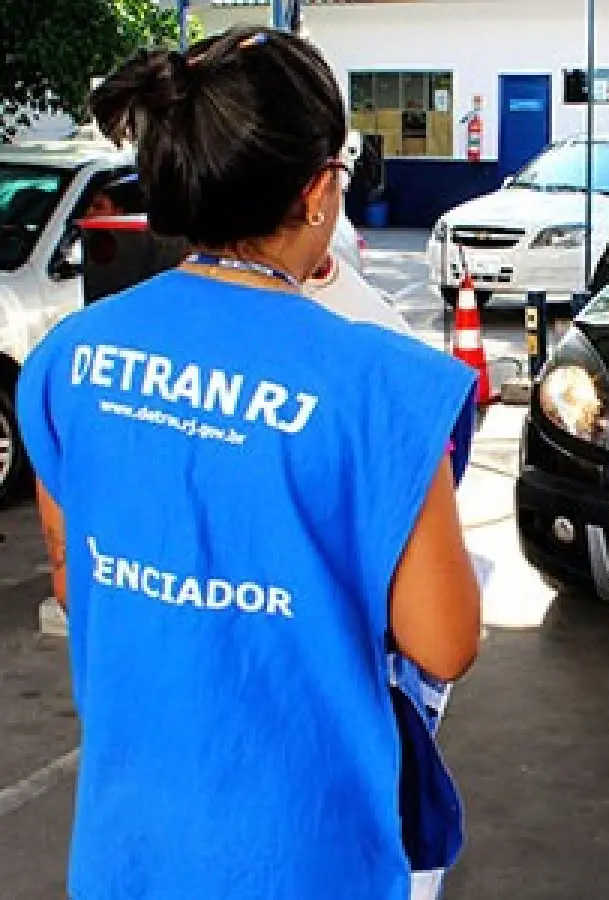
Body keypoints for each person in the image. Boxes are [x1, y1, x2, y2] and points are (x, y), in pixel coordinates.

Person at [16, 25, 481, 900]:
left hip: (128, 852)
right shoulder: (385, 386)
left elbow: (79, 585)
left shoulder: (67, 360)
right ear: (315, 193)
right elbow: (444, 643)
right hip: (306, 860)